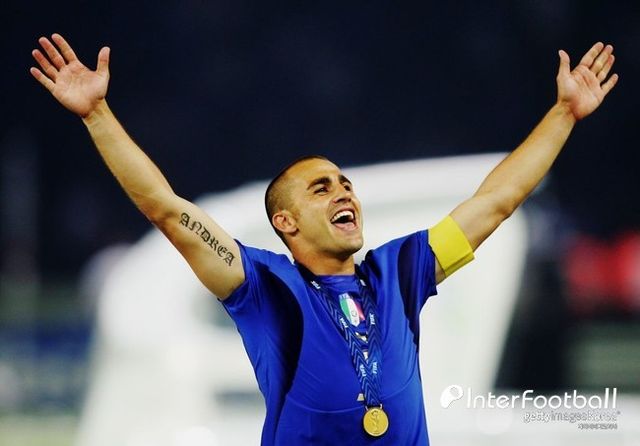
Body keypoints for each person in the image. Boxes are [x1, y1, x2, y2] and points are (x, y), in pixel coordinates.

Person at [31, 33, 617, 445]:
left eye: (345, 184)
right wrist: (97, 114)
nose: (344, 194)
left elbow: (497, 200)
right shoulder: (263, 286)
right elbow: (165, 208)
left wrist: (564, 113)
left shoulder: (400, 271)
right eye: (321, 188)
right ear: (285, 222)